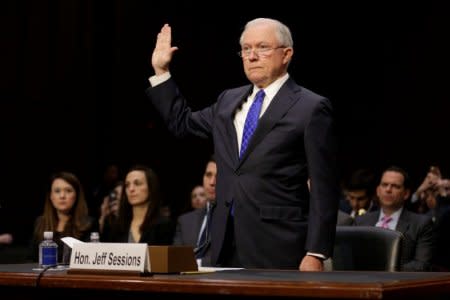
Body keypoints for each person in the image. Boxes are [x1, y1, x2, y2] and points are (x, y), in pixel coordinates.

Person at [146, 18, 340, 270]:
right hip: (225, 241)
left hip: (280, 244)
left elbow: (324, 187)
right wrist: (161, 72)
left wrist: (316, 252)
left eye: (262, 47)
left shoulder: (311, 107)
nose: (252, 56)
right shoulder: (228, 101)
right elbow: (182, 123)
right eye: (246, 49)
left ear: (286, 54)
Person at [354, 166, 435, 271]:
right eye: (384, 185)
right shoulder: (361, 221)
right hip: (362, 282)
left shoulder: (421, 224)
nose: (388, 189)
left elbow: (421, 265)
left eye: (395, 186)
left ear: (406, 194)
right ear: (378, 190)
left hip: (399, 283)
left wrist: (386, 270)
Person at [29, 171, 96, 263]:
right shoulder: (40, 222)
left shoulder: (89, 224)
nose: (62, 196)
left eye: (68, 191)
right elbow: (30, 260)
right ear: (51, 196)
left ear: (76, 195)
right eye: (57, 191)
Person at [102, 165, 174, 244]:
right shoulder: (116, 226)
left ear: (151, 188)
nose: (131, 189)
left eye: (137, 183)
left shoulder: (163, 225)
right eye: (127, 185)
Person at [173, 155, 217, 266]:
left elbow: (230, 259)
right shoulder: (185, 220)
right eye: (208, 175)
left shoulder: (237, 219)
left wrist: (194, 264)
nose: (212, 182)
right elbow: (175, 258)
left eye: (219, 175)